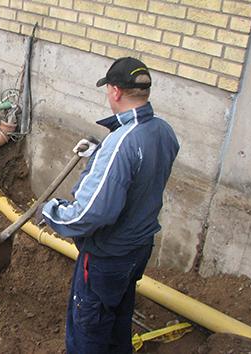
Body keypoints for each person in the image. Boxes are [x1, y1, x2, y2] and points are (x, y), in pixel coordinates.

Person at [37, 57, 179, 353]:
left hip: (107, 256)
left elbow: (90, 214)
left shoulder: (121, 143)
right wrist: (99, 154)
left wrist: (51, 212)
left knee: (89, 331)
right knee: (118, 319)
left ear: (115, 91)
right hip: (137, 250)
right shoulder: (162, 131)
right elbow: (140, 172)